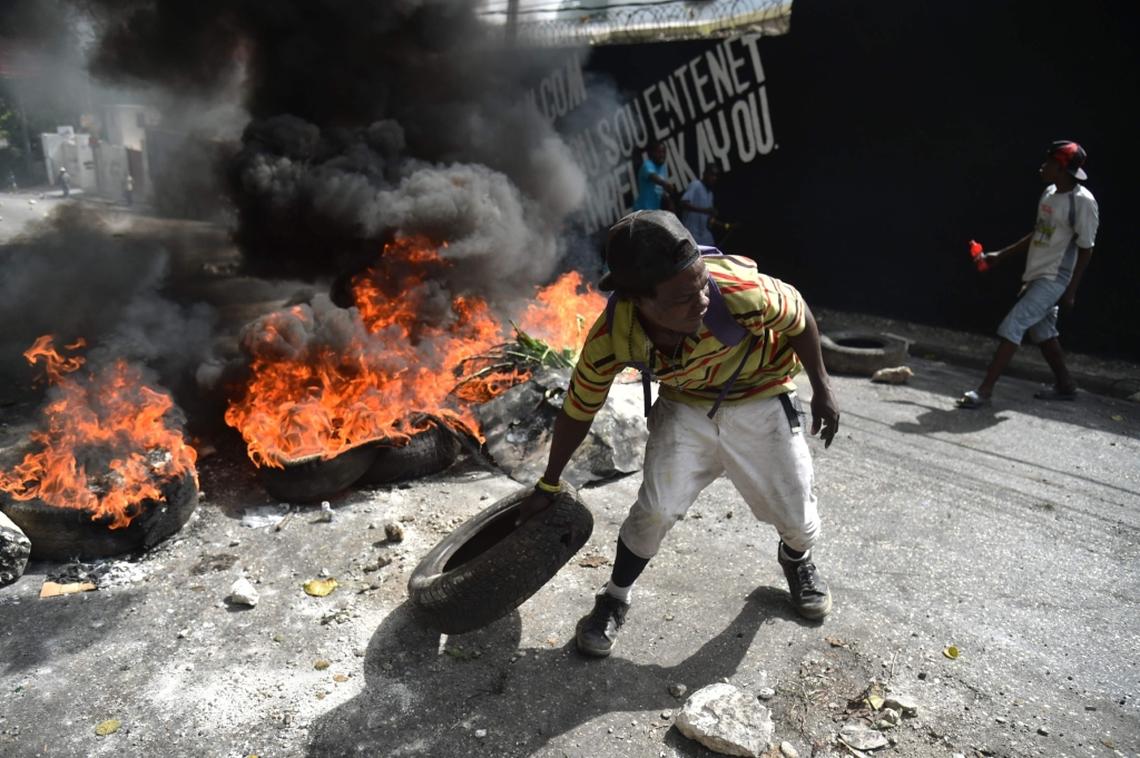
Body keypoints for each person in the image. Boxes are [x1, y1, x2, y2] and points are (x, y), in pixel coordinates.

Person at [516, 210, 841, 658]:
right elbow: (579, 408)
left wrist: (823, 389)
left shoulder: (738, 290)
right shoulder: (614, 335)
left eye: (702, 284)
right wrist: (548, 483)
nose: (702, 301)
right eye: (683, 298)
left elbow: (800, 315)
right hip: (686, 404)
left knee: (798, 519)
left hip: (759, 394)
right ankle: (614, 597)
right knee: (656, 509)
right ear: (639, 301)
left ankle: (796, 559)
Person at [956, 140, 1099, 408]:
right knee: (1042, 330)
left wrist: (1071, 290)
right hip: (1037, 273)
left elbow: (1086, 249)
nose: (1042, 167)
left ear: (1060, 168)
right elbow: (1039, 233)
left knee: (1014, 324)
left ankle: (984, 391)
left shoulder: (1082, 203)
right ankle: (1066, 385)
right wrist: (1000, 255)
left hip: (1056, 277)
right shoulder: (1048, 193)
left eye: (1048, 163)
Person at [679, 164, 720, 246]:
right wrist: (705, 211)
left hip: (704, 236)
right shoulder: (696, 185)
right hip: (691, 234)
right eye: (711, 174)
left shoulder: (710, 193)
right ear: (704, 173)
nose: (714, 178)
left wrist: (712, 217)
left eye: (716, 176)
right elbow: (683, 204)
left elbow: (708, 219)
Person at [632, 141, 677, 212]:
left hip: (654, 212)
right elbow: (653, 176)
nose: (662, 155)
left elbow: (662, 191)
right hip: (642, 211)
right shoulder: (647, 165)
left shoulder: (663, 167)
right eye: (659, 152)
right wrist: (665, 184)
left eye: (664, 152)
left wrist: (670, 202)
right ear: (652, 153)